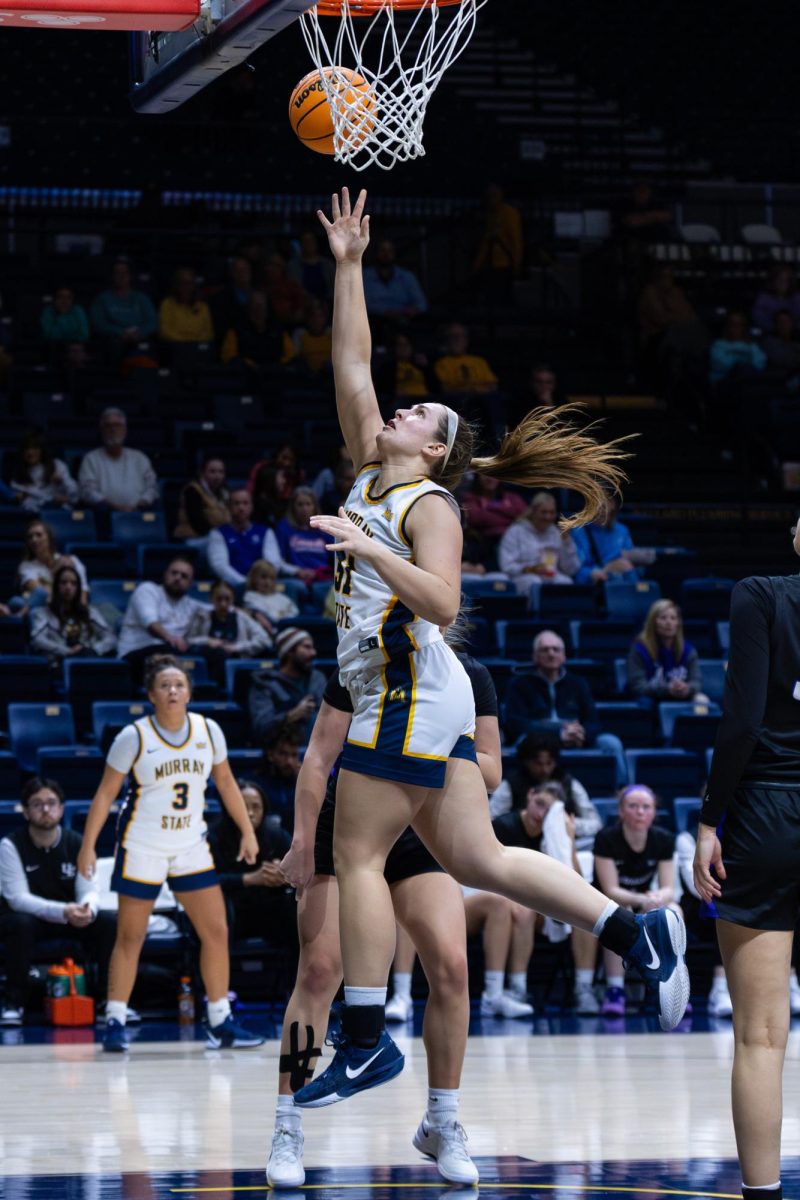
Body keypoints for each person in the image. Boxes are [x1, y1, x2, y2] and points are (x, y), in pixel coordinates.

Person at [288, 187, 688, 1111]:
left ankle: (361, 1041)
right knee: (476, 857)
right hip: (419, 687)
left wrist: (371, 551)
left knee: (357, 858)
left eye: (419, 412)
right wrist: (347, 267)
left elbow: (443, 598)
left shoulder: (428, 508)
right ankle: (637, 932)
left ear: (434, 451)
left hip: (408, 688)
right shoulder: (369, 472)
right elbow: (351, 368)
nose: (400, 409)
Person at [266, 639, 502, 1187]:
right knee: (320, 972)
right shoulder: (360, 658)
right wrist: (302, 841)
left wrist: (426, 744)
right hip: (350, 822)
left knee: (451, 967)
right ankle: (287, 1125)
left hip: (422, 823)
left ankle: (442, 1122)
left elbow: (489, 771)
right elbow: (317, 758)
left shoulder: (469, 674)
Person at [76, 655, 264, 1053]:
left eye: (179, 684)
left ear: (190, 692)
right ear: (150, 694)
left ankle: (219, 1021)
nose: (173, 690)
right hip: (143, 846)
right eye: (165, 685)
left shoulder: (208, 730)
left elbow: (227, 783)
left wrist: (247, 832)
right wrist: (87, 845)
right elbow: (105, 794)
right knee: (131, 936)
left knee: (216, 932)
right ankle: (114, 1019)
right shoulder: (134, 736)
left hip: (189, 845)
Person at [693, 549, 800, 1200]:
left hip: (765, 817)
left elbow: (741, 720)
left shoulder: (760, 595)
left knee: (760, 1036)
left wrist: (710, 820)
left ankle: (762, 1196)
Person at [0, 776, 117, 1026]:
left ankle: (111, 1002)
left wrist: (88, 909)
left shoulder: (77, 843)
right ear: (25, 811)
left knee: (108, 922)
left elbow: (90, 888)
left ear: (61, 809)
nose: (45, 810)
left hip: (72, 918)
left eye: (52, 803)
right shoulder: (10, 845)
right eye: (37, 804)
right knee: (17, 923)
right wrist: (64, 911)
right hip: (34, 919)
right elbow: (17, 898)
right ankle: (13, 1003)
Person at [503, 630, 627, 785]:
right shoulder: (519, 684)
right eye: (545, 650)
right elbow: (516, 724)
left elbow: (593, 721)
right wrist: (558, 734)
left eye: (556, 649)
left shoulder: (578, 683)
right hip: (536, 739)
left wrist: (581, 734)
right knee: (523, 741)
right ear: (535, 656)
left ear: (564, 656)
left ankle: (621, 790)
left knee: (611, 743)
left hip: (575, 737)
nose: (551, 654)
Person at [593, 784, 677, 1016]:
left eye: (646, 807)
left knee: (674, 910)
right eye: (633, 806)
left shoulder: (664, 839)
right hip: (609, 901)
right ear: (621, 811)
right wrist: (643, 899)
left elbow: (669, 887)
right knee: (618, 912)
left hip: (643, 899)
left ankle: (670, 986)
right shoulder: (607, 838)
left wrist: (659, 897)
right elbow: (610, 889)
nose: (640, 812)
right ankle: (615, 990)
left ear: (653, 813)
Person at [207, 779, 296, 951]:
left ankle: (293, 975)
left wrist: (284, 874)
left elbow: (301, 871)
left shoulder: (276, 835)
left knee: (295, 908)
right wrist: (250, 879)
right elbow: (207, 882)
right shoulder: (213, 836)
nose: (249, 813)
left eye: (256, 807)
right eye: (242, 805)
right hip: (231, 909)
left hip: (267, 909)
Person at [117, 556, 205, 680]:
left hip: (171, 654)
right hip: (135, 654)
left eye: (184, 576)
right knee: (166, 652)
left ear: (190, 584)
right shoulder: (147, 590)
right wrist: (171, 639)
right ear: (165, 574)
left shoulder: (191, 604)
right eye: (174, 573)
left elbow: (219, 608)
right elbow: (151, 625)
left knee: (211, 654)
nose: (178, 578)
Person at [208, 489, 314, 588]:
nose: (241, 507)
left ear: (251, 506)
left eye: (245, 503)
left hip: (262, 586)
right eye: (236, 503)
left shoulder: (265, 532)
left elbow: (272, 564)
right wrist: (244, 583)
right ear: (229, 507)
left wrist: (260, 583)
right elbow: (220, 566)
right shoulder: (218, 533)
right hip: (232, 586)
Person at [248, 627, 327, 745]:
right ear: (289, 651)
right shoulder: (264, 684)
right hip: (282, 753)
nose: (313, 653)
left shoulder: (317, 679)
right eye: (307, 647)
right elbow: (262, 728)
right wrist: (291, 716)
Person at [185, 579, 271, 685]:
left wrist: (236, 647)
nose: (223, 604)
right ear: (211, 599)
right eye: (219, 599)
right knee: (218, 653)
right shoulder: (202, 617)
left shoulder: (242, 617)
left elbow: (264, 640)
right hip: (212, 661)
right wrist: (208, 641)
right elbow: (189, 640)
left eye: (227, 599)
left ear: (233, 600)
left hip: (238, 660)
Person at [498, 490, 579, 600]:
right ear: (534, 511)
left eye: (551, 512)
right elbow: (507, 566)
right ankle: (533, 616)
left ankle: (563, 616)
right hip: (522, 578)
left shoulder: (555, 533)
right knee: (535, 582)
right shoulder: (516, 531)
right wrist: (531, 569)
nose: (548, 517)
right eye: (544, 512)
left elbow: (571, 569)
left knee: (566, 582)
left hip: (550, 576)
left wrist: (566, 542)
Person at [30, 563, 117, 663]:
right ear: (56, 587)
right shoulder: (43, 613)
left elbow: (111, 638)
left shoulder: (89, 612)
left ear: (78, 588)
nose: (68, 587)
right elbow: (37, 639)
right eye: (63, 582)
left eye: (73, 583)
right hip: (58, 663)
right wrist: (66, 651)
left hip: (87, 661)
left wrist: (91, 649)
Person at [78, 408, 159, 513]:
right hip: (105, 516)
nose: (113, 429)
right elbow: (87, 492)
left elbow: (152, 487)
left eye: (117, 425)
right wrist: (114, 507)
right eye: (108, 426)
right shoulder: (91, 459)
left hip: (138, 515)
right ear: (102, 431)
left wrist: (140, 504)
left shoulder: (139, 458)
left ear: (125, 430)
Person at [627, 598, 705, 704]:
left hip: (680, 696)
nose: (669, 622)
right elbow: (638, 686)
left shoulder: (688, 650)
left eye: (673, 618)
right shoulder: (640, 649)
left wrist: (687, 688)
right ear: (653, 622)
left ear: (678, 624)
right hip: (651, 698)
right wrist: (667, 689)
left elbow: (697, 682)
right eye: (663, 618)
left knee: (701, 700)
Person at [571, 494, 644, 586]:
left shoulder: (622, 531)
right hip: (593, 582)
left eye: (604, 505)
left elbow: (629, 559)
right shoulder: (578, 531)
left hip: (621, 579)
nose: (600, 510)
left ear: (612, 505)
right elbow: (574, 569)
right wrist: (601, 571)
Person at [89, 258, 157, 356]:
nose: (121, 276)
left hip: (139, 338)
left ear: (130, 275)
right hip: (114, 340)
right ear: (112, 276)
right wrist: (120, 332)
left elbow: (152, 321)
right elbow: (98, 323)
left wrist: (140, 333)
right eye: (117, 273)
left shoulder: (142, 298)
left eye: (124, 273)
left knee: (147, 348)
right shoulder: (102, 298)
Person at [17, 519, 89, 609]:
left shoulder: (73, 561)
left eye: (39, 535)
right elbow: (42, 594)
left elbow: (82, 596)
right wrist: (55, 572)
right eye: (30, 537)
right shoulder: (26, 566)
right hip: (46, 610)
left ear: (49, 539)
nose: (34, 539)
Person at [460, 474, 528, 562]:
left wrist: (489, 508)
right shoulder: (470, 498)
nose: (489, 478)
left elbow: (526, 516)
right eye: (485, 475)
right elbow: (477, 518)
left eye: (493, 474)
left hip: (514, 542)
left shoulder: (512, 497)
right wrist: (510, 517)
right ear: (477, 478)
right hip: (485, 545)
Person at [8, 430, 79, 513]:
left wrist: (62, 481)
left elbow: (75, 497)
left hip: (57, 512)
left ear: (42, 450)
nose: (30, 452)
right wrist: (20, 497)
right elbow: (21, 500)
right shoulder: (18, 474)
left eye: (35, 448)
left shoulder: (57, 465)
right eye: (26, 449)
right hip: (33, 514)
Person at [275, 487, 335, 581]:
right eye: (300, 505)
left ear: (314, 507)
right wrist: (297, 571)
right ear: (293, 508)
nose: (304, 509)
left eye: (308, 504)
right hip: (295, 577)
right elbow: (279, 560)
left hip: (322, 577)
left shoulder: (324, 528)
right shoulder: (284, 528)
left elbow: (336, 557)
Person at [251, 728, 303, 833]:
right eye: (283, 754)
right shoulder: (255, 784)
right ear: (270, 755)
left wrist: (303, 784)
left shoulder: (303, 783)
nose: (289, 761)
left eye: (294, 755)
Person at [362, 238, 428, 321]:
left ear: (394, 253)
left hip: (404, 319)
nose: (386, 254)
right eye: (383, 250)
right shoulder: (365, 275)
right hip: (374, 320)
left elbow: (421, 303)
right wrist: (385, 312)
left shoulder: (406, 276)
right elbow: (362, 304)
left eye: (390, 251)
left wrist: (411, 311)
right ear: (376, 253)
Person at [173, 455, 232, 540]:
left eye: (221, 472)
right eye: (212, 471)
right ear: (202, 473)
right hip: (194, 538)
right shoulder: (192, 491)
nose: (217, 476)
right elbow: (198, 523)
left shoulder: (225, 492)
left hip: (218, 537)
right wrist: (221, 536)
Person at [434, 322, 498, 395]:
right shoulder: (441, 364)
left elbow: (492, 386)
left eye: (461, 336)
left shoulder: (479, 362)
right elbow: (445, 389)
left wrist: (475, 390)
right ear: (447, 340)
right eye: (453, 336)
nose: (457, 339)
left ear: (466, 340)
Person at [242, 559, 299, 637]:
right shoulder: (250, 596)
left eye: (271, 578)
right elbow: (266, 615)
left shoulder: (281, 597)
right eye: (263, 577)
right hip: (266, 632)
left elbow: (294, 611)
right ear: (254, 579)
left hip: (287, 628)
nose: (267, 582)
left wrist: (284, 618)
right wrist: (281, 615)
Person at [709, 311, 767, 386]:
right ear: (727, 326)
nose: (736, 327)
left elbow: (759, 364)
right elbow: (722, 365)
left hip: (749, 382)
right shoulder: (718, 345)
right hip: (724, 383)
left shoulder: (751, 345)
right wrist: (742, 362)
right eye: (733, 324)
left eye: (740, 324)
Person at [158, 267, 214, 344]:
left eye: (190, 283)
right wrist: (185, 341)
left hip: (197, 346)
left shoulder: (203, 306)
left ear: (194, 286)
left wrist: (193, 342)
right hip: (174, 347)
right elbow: (165, 331)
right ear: (176, 285)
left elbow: (208, 333)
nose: (186, 287)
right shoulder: (167, 304)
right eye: (183, 283)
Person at [286, 230, 335, 304]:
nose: (308, 244)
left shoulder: (328, 265)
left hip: (326, 306)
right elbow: (291, 289)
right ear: (301, 244)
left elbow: (334, 289)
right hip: (301, 306)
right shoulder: (293, 266)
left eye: (311, 240)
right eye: (305, 241)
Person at [752, 263, 800, 333]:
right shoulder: (763, 298)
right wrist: (776, 329)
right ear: (772, 281)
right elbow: (758, 317)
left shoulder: (796, 298)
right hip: (770, 334)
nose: (783, 284)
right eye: (779, 280)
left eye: (786, 280)